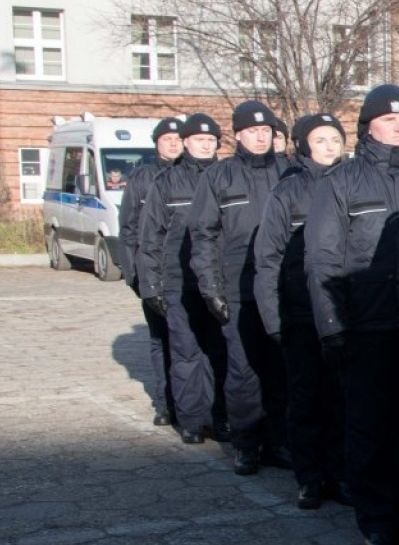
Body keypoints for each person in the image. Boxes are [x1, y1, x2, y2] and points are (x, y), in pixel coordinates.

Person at [305, 83, 399, 545]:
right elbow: (322, 261)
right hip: (367, 328)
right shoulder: (341, 182)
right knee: (369, 428)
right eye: (390, 119)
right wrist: (332, 327)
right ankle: (376, 523)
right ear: (368, 128)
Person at [255, 113, 350, 510]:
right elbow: (268, 258)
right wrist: (273, 317)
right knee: (307, 398)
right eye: (320, 140)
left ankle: (341, 474)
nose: (329, 147)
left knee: (343, 401)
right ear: (303, 146)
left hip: (344, 313)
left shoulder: (351, 182)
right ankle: (310, 477)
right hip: (301, 314)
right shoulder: (288, 191)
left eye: (335, 139)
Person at [190, 99, 291, 476]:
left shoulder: (288, 170)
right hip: (238, 290)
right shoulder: (219, 177)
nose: (261, 137)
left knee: (280, 370)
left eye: (266, 131)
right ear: (237, 135)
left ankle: (278, 441)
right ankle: (246, 444)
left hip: (280, 290)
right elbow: (202, 236)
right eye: (253, 131)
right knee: (244, 371)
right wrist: (210, 287)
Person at [137, 113, 229, 445]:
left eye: (211, 140)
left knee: (222, 354)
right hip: (179, 285)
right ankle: (192, 420)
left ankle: (222, 418)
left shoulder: (227, 177)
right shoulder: (167, 182)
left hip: (220, 284)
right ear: (186, 142)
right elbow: (150, 239)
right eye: (199, 139)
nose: (205, 145)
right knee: (187, 354)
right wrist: (151, 287)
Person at [120, 117, 185, 427]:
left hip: (182, 276)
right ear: (156, 143)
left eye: (177, 138)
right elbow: (129, 230)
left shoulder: (192, 175)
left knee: (188, 343)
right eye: (166, 139)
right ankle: (165, 403)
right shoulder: (143, 178)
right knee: (161, 340)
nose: (173, 144)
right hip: (151, 274)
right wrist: (136, 277)